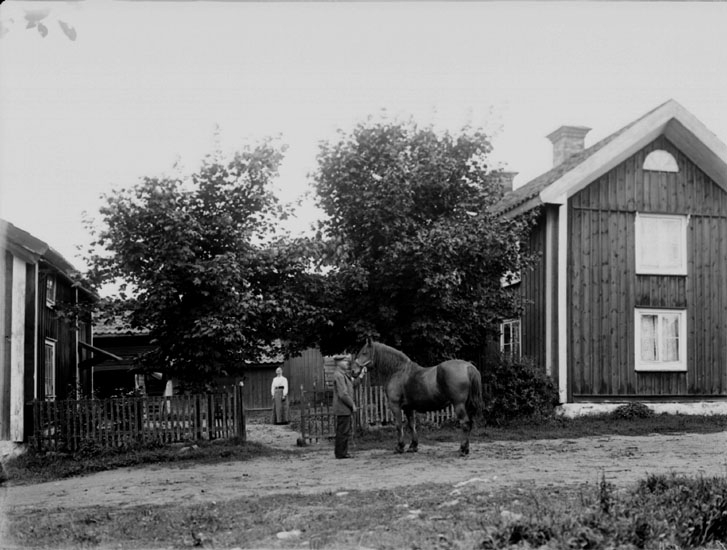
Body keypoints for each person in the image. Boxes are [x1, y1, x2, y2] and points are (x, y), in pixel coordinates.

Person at [331, 355, 366, 459]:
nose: (347, 363)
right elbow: (343, 394)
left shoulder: (343, 374)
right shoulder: (339, 375)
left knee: (344, 430)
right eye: (344, 361)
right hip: (342, 407)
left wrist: (361, 375)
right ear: (338, 363)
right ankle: (341, 453)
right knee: (343, 431)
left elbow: (352, 384)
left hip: (344, 408)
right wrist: (352, 404)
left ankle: (342, 452)